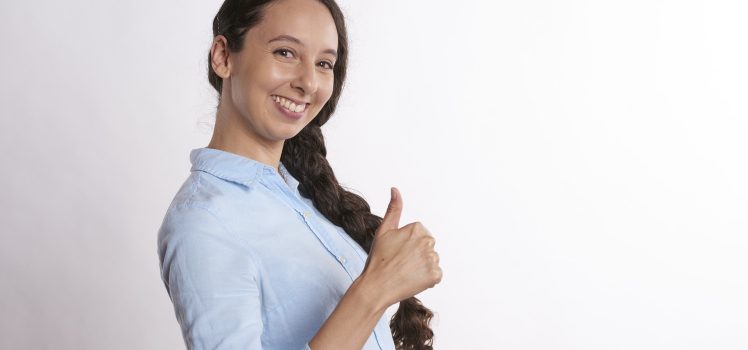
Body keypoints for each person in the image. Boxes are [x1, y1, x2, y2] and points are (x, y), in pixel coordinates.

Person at [156, 0, 442, 349]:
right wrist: (376, 288)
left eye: (324, 63)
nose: (308, 82)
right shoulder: (202, 222)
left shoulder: (299, 194)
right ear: (223, 56)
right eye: (286, 52)